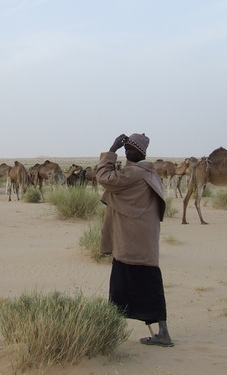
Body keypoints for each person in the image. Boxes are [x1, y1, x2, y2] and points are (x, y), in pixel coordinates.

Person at [95, 133, 174, 347]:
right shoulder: (148, 172)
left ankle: (106, 333)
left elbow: (104, 178)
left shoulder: (134, 173)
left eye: (131, 149)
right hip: (140, 240)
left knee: (123, 287)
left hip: (130, 240)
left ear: (142, 152)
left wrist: (111, 150)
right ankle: (162, 332)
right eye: (125, 149)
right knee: (148, 285)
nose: (128, 153)